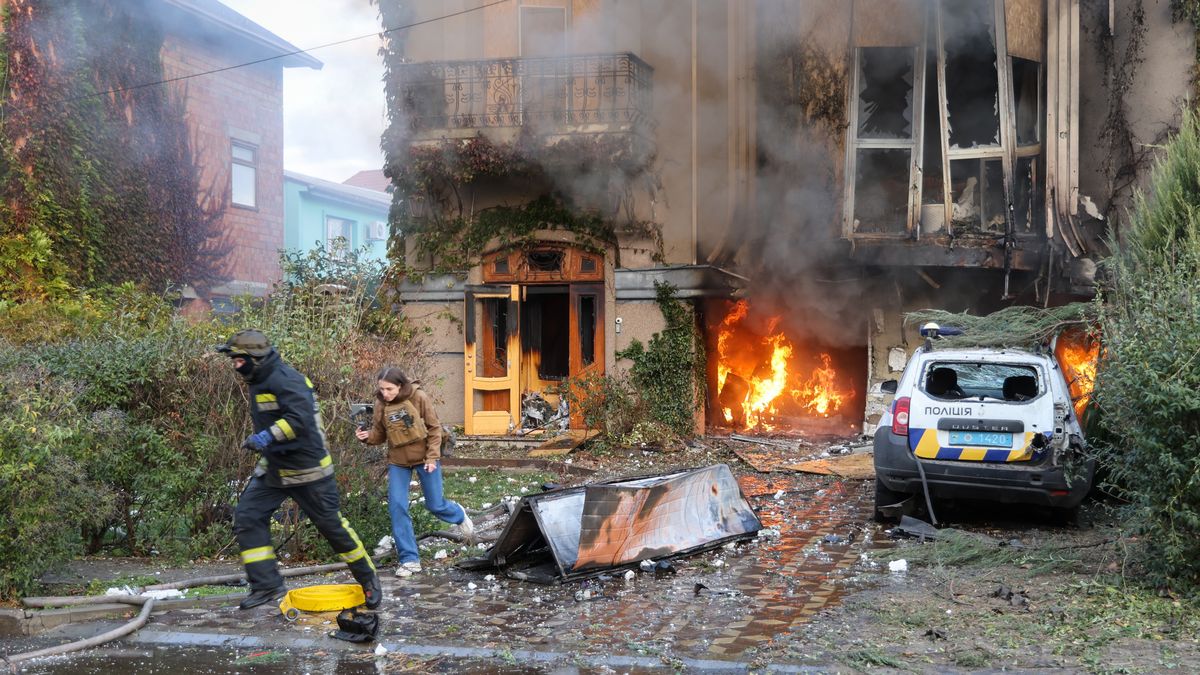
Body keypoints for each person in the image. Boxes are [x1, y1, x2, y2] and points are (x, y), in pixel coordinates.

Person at [216, 329, 382, 610]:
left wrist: (266, 437)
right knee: (247, 516)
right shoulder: (258, 379)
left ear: (255, 358)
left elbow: (298, 420)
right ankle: (267, 585)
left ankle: (368, 579)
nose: (236, 365)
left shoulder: (288, 380)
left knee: (332, 528)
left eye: (239, 360)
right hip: (275, 469)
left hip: (309, 471)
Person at [356, 367, 473, 577]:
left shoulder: (419, 397)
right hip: (398, 462)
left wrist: (431, 457)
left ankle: (458, 515)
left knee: (435, 504)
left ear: (400, 386)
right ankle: (409, 560)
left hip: (425, 458)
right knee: (397, 507)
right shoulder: (381, 403)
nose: (385, 393)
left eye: (389, 389)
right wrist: (366, 437)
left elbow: (435, 429)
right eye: (381, 389)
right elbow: (380, 434)